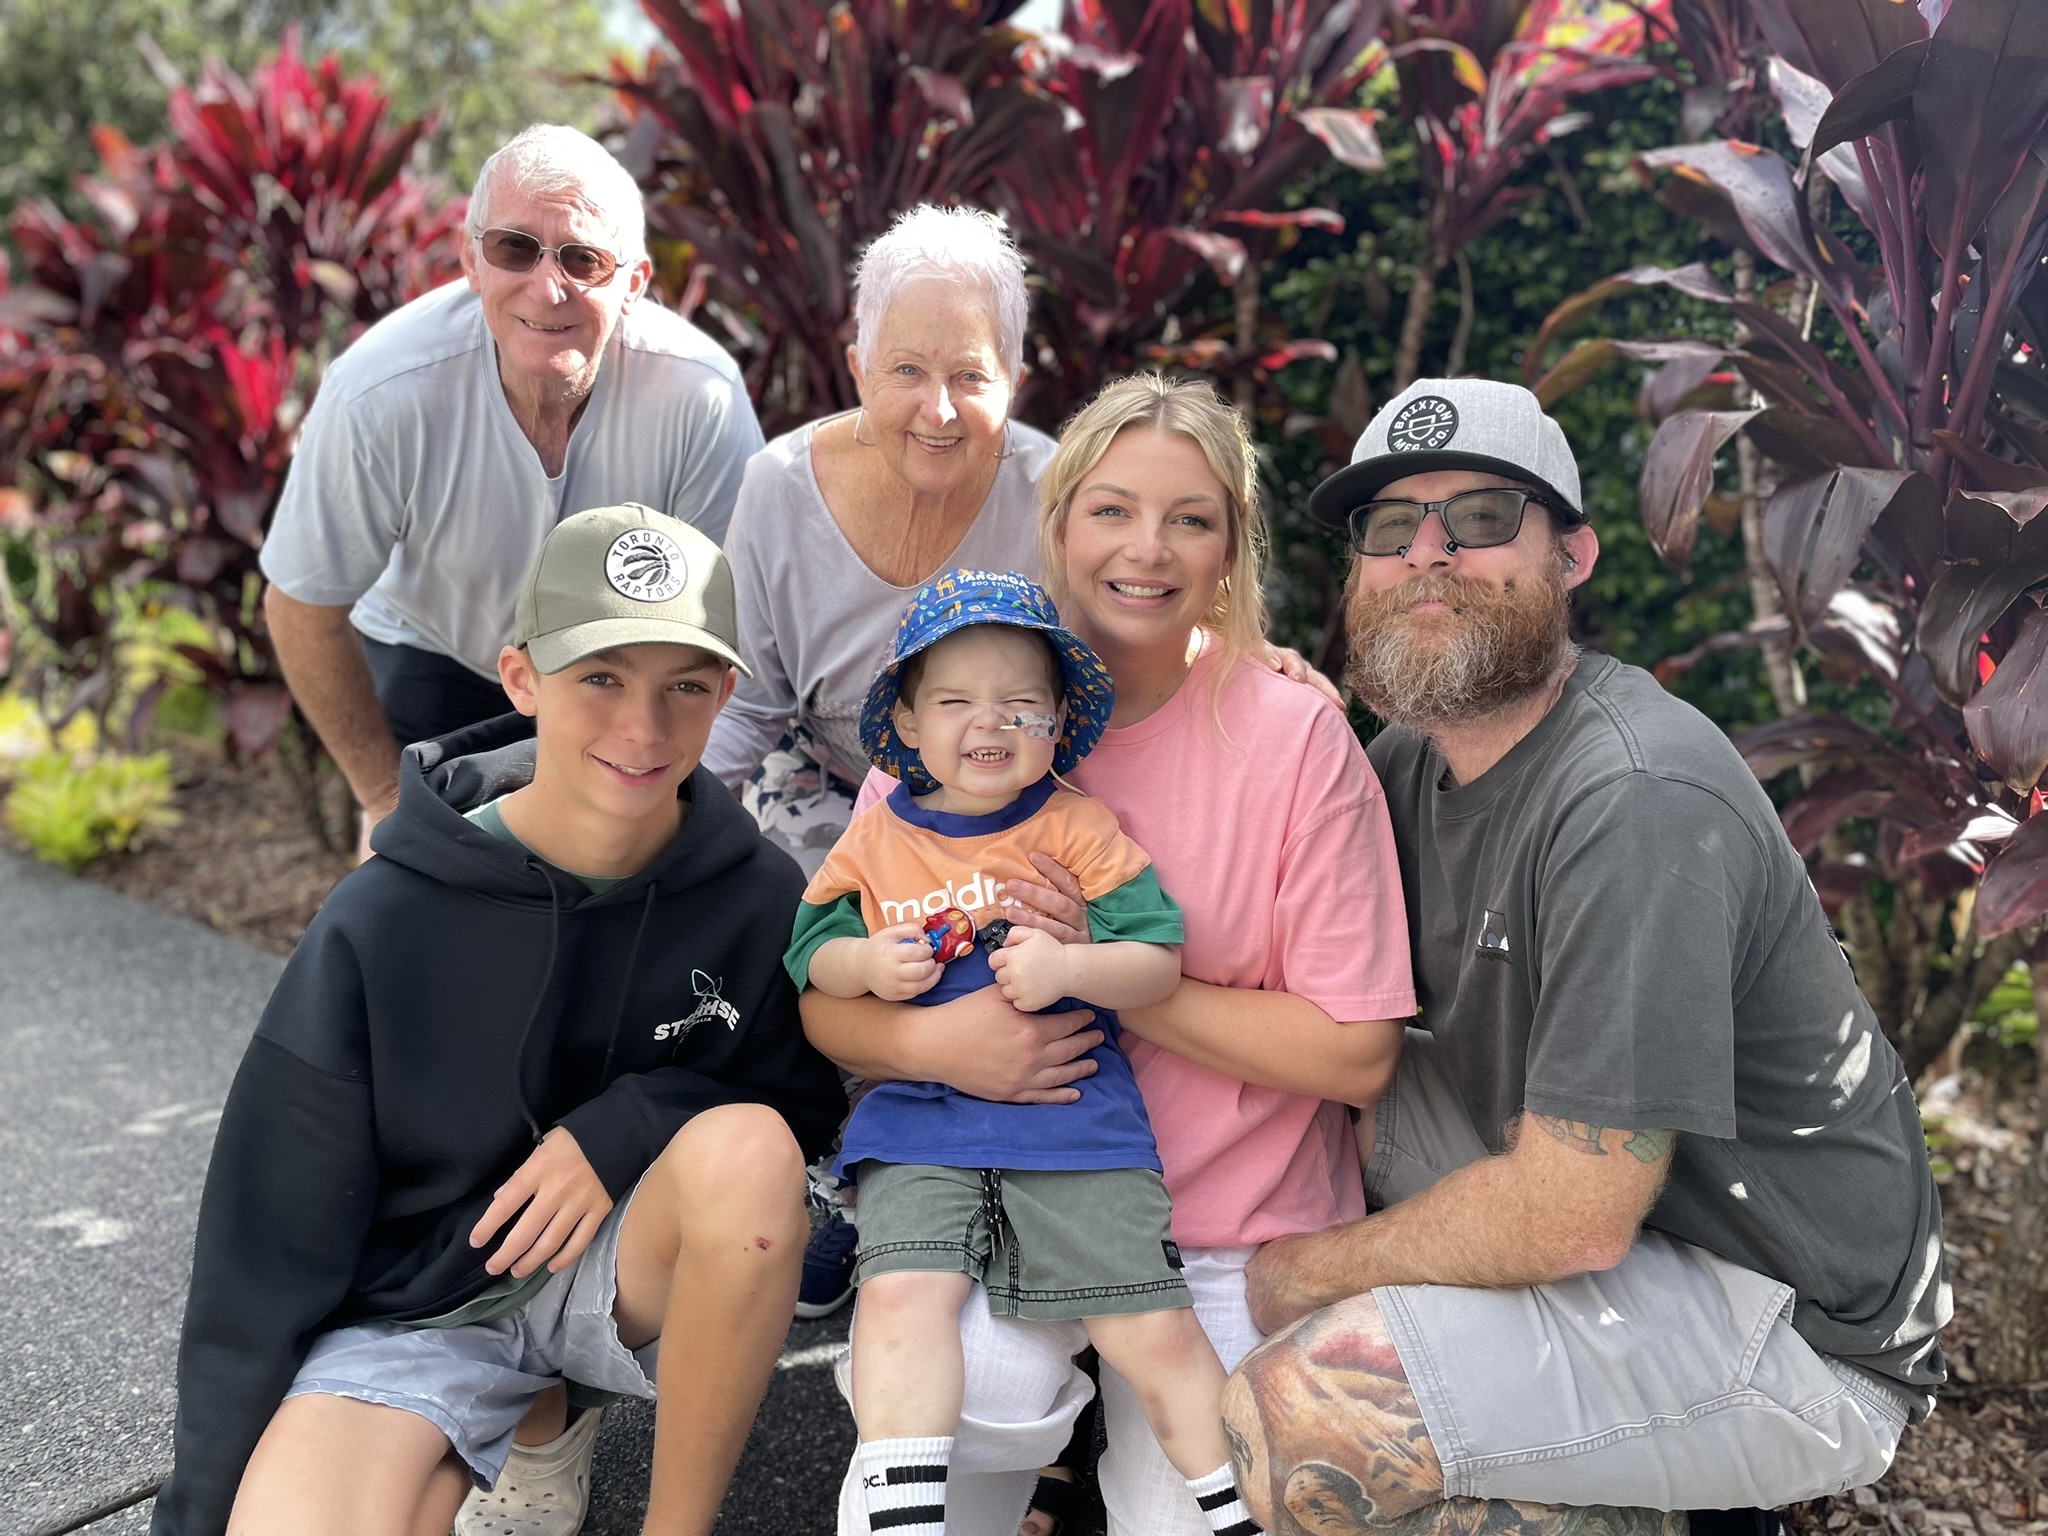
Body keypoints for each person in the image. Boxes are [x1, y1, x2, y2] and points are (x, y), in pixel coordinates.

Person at [1219, 379, 1950, 1536]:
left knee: (1304, 1414)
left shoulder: (1632, 797)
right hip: (1622, 1220)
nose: (1425, 555)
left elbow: (1570, 1217)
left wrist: (1294, 1278)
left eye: (1476, 520)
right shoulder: (1408, 760)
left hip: (1784, 1315)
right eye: (1387, 527)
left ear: (1572, 555)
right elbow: (1275, 960)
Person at [152, 504, 844, 1536]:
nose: (643, 729)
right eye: (600, 677)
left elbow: (796, 1107)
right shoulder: (382, 918)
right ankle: (527, 1414)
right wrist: (198, 1506)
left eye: (682, 686)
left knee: (747, 1155)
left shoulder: (750, 890)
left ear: (725, 696)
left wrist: (629, 1124)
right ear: (519, 678)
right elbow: (264, 1240)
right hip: (422, 1299)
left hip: (628, 1273)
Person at [805, 375, 1416, 1535]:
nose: (1148, 548)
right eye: (1111, 509)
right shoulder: (962, 711)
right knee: (942, 1423)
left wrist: (1100, 969)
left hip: (1226, 1225)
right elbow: (826, 998)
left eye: (1190, 517)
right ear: (1058, 523)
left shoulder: (1292, 737)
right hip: (992, 1182)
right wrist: (940, 1043)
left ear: (1233, 546)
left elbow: (1355, 1054)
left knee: (1201, 1502)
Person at [787, 569, 1259, 1536]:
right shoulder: (875, 839)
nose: (987, 722)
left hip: (1077, 1124)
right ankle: (904, 1515)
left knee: (1151, 1326)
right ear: (909, 725)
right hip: (923, 1124)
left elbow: (1157, 963)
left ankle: (1234, 1509)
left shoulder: (1077, 827)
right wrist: (864, 959)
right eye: (954, 701)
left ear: (1056, 724)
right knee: (899, 1296)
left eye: (1019, 704)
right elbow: (808, 958)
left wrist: (1076, 966)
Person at [261, 124, 763, 859]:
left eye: (584, 259)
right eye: (514, 249)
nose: (547, 286)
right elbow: (301, 604)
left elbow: (721, 623)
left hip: (617, 677)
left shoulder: (701, 396)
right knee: (414, 902)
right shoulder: (380, 392)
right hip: (434, 658)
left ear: (634, 284)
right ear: (470, 260)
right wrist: (381, 798)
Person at [703, 203, 1054, 874]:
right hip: (829, 789)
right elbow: (744, 712)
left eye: (971, 376)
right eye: (907, 371)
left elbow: (1142, 633)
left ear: (1015, 385)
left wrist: (1244, 658)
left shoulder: (1059, 498)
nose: (939, 410)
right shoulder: (779, 487)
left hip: (1007, 798)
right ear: (860, 371)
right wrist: (647, 834)